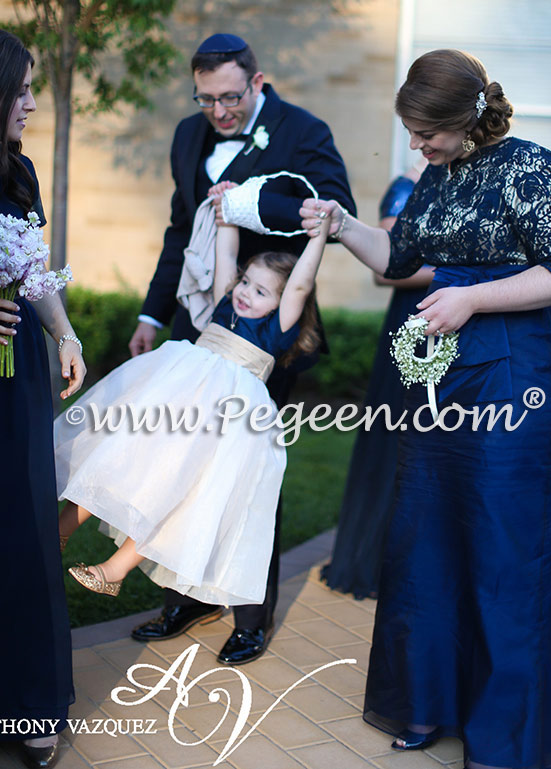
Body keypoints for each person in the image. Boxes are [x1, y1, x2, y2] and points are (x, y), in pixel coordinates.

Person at [301, 49, 551, 769]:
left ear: (466, 118)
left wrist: (473, 296)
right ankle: (427, 700)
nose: (416, 146)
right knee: (426, 540)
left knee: (503, 550)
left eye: (426, 132)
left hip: (513, 377)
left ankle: (503, 735)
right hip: (440, 383)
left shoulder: (530, 166)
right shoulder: (439, 174)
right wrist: (340, 224)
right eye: (412, 133)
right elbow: (397, 258)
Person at [126, 32, 355, 664]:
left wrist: (246, 204)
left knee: (247, 476)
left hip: (266, 339)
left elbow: (337, 213)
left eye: (230, 98)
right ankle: (185, 596)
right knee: (177, 461)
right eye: (206, 101)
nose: (219, 114)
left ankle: (250, 613)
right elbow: (180, 231)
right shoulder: (186, 135)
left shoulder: (302, 130)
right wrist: (153, 312)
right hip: (199, 325)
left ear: (257, 83)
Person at [56, 214, 329, 607]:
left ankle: (115, 570)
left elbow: (301, 283)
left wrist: (318, 238)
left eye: (261, 292)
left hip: (222, 419)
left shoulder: (277, 327)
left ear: (283, 305)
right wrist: (226, 216)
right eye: (246, 282)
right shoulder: (226, 302)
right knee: (119, 454)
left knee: (177, 491)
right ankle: (62, 528)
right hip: (177, 393)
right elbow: (226, 254)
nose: (246, 293)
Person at [0, 26, 86, 769]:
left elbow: (34, 265)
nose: (34, 103)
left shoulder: (21, 170)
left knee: (22, 527)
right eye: (23, 89)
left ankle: (27, 701)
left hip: (14, 379)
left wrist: (64, 334)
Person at [321, 159, 433, 600]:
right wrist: (470, 273)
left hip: (459, 325)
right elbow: (385, 270)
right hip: (413, 324)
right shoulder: (405, 187)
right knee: (398, 439)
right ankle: (376, 560)